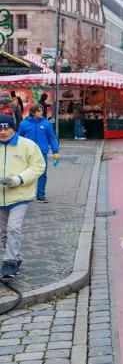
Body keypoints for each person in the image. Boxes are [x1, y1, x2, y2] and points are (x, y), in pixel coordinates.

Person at [0, 114, 46, 279]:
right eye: (0, 128)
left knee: (13, 228)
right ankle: (16, 257)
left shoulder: (27, 145)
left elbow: (38, 166)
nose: (3, 132)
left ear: (14, 128)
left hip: (20, 195)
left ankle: (9, 262)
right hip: (0, 198)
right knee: (4, 232)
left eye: (7, 128)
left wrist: (18, 179)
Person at [17, 103, 59, 203]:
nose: (41, 112)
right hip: (27, 153)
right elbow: (19, 138)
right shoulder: (23, 124)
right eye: (39, 111)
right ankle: (25, 194)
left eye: (42, 110)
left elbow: (52, 138)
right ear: (33, 112)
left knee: (42, 173)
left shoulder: (46, 123)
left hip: (42, 152)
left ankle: (40, 195)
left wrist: (55, 152)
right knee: (25, 173)